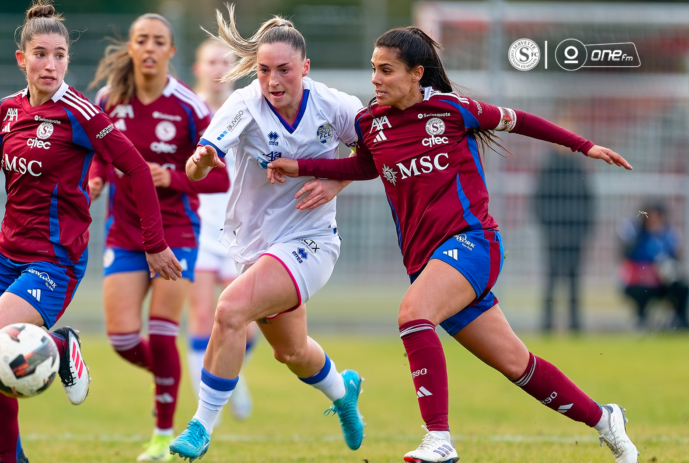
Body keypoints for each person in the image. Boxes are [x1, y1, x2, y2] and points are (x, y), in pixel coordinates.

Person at [268, 27, 639, 463]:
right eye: (373, 69)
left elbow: (520, 120)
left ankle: (438, 439)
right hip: (427, 262)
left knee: (413, 314)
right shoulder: (371, 123)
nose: (375, 79)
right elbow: (364, 165)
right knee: (517, 364)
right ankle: (604, 419)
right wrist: (300, 167)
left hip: (473, 243)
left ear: (416, 73)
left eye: (386, 70)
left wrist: (584, 145)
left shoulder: (451, 110)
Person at [0, 0, 181, 463]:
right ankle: (13, 460)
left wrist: (154, 244)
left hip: (55, 258)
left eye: (61, 54)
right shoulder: (6, 111)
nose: (51, 64)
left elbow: (137, 171)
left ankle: (62, 344)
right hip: (7, 253)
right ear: (22, 59)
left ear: (68, 58)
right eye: (41, 54)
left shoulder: (81, 113)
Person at [169, 5, 364, 461]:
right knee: (292, 352)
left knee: (230, 308)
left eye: (284, 70)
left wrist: (338, 179)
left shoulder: (335, 106)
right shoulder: (244, 105)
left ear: (305, 68)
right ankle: (343, 391)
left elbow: (376, 153)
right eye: (263, 70)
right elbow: (199, 162)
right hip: (254, 244)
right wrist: (199, 162)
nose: (273, 81)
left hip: (312, 241)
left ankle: (201, 426)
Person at [87, 14, 229, 462]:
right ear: (130, 48)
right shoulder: (108, 101)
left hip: (177, 234)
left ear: (171, 52)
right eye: (141, 40)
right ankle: (170, 377)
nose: (149, 48)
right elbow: (95, 155)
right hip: (125, 234)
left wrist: (171, 175)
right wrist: (94, 179)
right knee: (123, 340)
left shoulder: (188, 106)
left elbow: (220, 178)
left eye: (159, 42)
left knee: (163, 335)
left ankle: (162, 436)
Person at [187, 38, 256, 421]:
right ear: (198, 68)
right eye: (210, 60)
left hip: (240, 233)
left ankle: (233, 373)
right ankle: (208, 408)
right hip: (196, 229)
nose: (218, 67)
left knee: (250, 324)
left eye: (225, 61)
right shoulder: (188, 110)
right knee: (201, 317)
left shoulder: (248, 108)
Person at [533, 143, 594, 332]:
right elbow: (538, 204)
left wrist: (581, 232)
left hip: (574, 237)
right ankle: (547, 324)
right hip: (553, 237)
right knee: (551, 280)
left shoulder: (578, 170)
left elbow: (589, 204)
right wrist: (550, 230)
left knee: (574, 281)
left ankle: (575, 325)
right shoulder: (548, 170)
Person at [618, 203, 688, 329]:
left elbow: (676, 258)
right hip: (641, 282)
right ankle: (641, 319)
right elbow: (627, 256)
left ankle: (680, 319)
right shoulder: (636, 235)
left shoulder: (669, 235)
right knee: (641, 291)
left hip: (662, 282)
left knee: (681, 287)